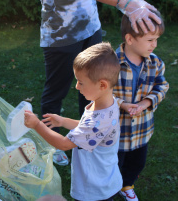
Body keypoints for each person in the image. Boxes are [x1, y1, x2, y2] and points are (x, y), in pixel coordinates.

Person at [39, 0, 162, 165]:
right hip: (61, 32)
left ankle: (88, 135)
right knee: (56, 91)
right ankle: (51, 144)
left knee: (93, 87)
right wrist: (124, 2)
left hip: (90, 26)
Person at [25, 42, 122, 201]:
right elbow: (89, 130)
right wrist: (63, 122)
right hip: (105, 179)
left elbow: (64, 144)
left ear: (102, 84)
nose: (77, 86)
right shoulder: (107, 105)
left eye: (81, 82)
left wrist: (37, 124)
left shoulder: (98, 119)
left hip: (94, 189)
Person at [113, 10, 169, 201]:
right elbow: (100, 93)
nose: (155, 45)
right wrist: (122, 105)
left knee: (137, 163)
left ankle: (126, 184)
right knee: (113, 165)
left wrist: (146, 102)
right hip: (116, 132)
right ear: (130, 39)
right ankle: (109, 190)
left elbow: (162, 86)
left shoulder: (155, 63)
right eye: (150, 40)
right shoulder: (110, 63)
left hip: (141, 130)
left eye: (156, 39)